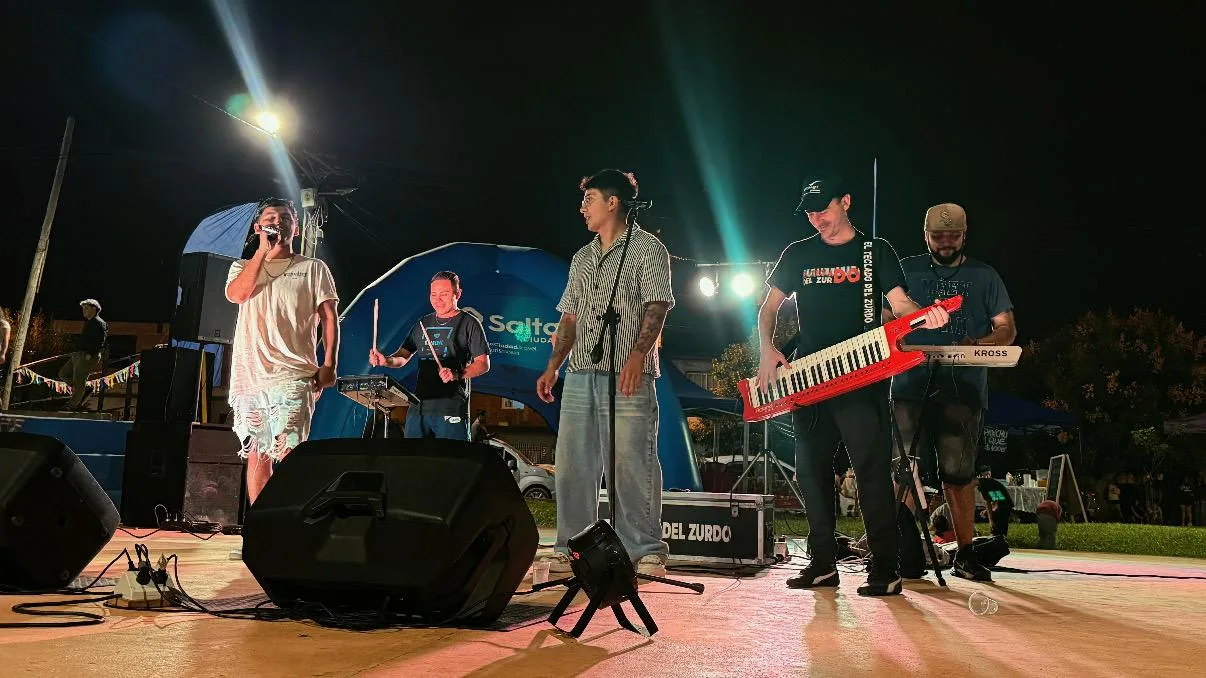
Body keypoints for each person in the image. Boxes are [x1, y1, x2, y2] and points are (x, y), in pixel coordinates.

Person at [757, 173, 950, 596]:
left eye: (823, 209)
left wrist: (926, 316)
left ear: (845, 202)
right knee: (811, 472)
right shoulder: (797, 253)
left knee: (870, 472)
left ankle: (885, 568)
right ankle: (822, 564)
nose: (816, 218)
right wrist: (767, 348)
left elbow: (900, 304)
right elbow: (769, 306)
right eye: (810, 212)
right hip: (810, 377)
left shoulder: (874, 251)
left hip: (861, 374)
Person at [535, 169, 674, 578]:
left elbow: (656, 306)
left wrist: (637, 356)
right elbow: (570, 317)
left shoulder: (649, 249)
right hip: (581, 372)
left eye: (589, 199)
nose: (582, 208)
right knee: (573, 465)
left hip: (628, 373)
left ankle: (644, 550)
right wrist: (553, 365)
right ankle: (573, 549)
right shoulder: (582, 257)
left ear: (612, 202)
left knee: (632, 463)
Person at [889, 202, 1016, 582]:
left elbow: (1007, 328)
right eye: (938, 236)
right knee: (903, 469)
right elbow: (884, 318)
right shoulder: (905, 270)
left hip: (963, 388)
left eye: (953, 236)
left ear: (964, 236)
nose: (946, 242)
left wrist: (978, 344)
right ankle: (901, 549)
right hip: (909, 384)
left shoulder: (984, 275)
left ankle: (965, 553)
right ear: (925, 236)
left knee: (959, 473)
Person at [225, 198, 340, 509]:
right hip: (250, 378)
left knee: (289, 451)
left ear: (296, 228)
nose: (278, 222)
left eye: (285, 217)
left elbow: (329, 317)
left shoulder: (313, 268)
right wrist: (262, 252)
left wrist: (329, 364)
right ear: (258, 227)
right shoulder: (242, 267)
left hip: (294, 374)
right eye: (270, 217)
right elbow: (237, 295)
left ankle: (288, 520)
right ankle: (262, 525)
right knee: (257, 453)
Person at [369, 271, 490, 440]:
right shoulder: (423, 323)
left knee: (454, 455)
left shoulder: (469, 323)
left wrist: (456, 374)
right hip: (419, 406)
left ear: (458, 294)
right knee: (413, 455)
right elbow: (403, 355)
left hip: (450, 406)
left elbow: (483, 364)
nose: (437, 300)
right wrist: (387, 360)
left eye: (444, 294)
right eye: (433, 294)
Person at [58, 299, 108, 411]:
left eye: (86, 308)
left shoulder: (99, 322)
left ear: (94, 308)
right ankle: (85, 388)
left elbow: (101, 341)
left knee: (79, 380)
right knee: (63, 373)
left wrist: (90, 353)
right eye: (83, 308)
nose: (83, 311)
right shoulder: (89, 322)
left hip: (87, 355)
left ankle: (72, 405)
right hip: (78, 354)